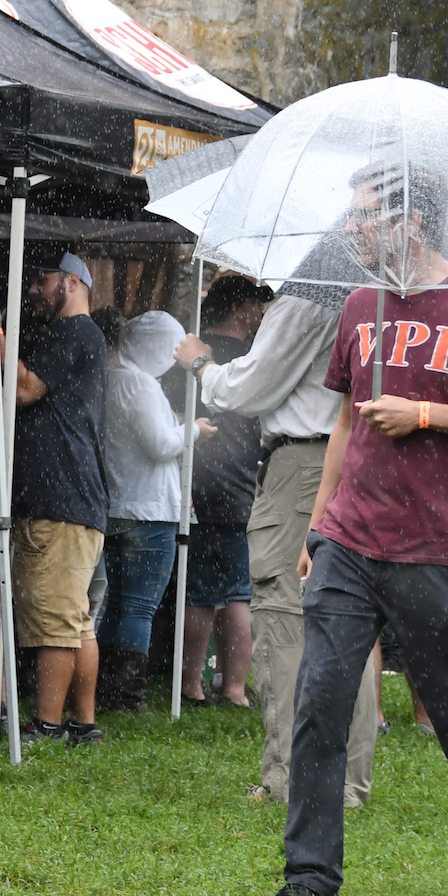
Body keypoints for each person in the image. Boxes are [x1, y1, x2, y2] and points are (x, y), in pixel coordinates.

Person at [260, 162, 448, 896]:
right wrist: (317, 525)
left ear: (411, 221)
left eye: (364, 214)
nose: (351, 228)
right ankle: (309, 880)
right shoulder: (361, 305)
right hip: (350, 541)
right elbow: (345, 422)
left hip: (441, 548)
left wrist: (425, 414)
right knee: (318, 705)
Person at [176, 275, 381, 807]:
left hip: (305, 467)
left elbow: (248, 389)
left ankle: (292, 779)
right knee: (347, 623)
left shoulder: (308, 294)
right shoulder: (374, 294)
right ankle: (348, 782)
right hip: (359, 463)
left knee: (286, 617)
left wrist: (201, 364)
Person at [10, 254, 108, 747]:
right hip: (78, 499)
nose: (33, 289)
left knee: (55, 621)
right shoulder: (85, 336)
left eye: (41, 280)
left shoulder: (73, 332)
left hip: (60, 500)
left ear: (71, 281)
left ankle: (47, 725)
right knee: (76, 620)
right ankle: (82, 725)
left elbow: (25, 388)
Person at [94, 309, 210, 713]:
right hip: (150, 509)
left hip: (117, 506)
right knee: (139, 607)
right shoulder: (139, 383)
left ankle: (102, 686)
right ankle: (128, 696)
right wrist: (194, 429)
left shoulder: (112, 376)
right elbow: (160, 445)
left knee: (115, 603)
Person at [182, 276, 272, 707]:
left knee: (200, 590)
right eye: (256, 305)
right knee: (238, 591)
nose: (260, 314)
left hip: (198, 480)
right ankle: (234, 687)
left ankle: (190, 685)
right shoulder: (252, 358)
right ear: (238, 309)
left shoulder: (191, 352)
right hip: (242, 484)